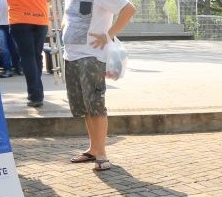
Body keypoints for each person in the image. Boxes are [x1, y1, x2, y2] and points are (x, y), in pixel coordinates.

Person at [62, 0, 135, 171]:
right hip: (71, 56)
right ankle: (93, 149)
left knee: (95, 104)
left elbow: (129, 9)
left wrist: (108, 35)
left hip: (92, 56)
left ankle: (101, 153)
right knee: (85, 106)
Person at [8, 0, 48, 107]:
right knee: (36, 56)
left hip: (20, 18)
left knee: (28, 57)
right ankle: (37, 91)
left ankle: (36, 95)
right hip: (41, 17)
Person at [0, 0, 21, 78]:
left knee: (15, 47)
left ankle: (18, 68)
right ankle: (8, 69)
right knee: (4, 49)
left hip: (13, 23)